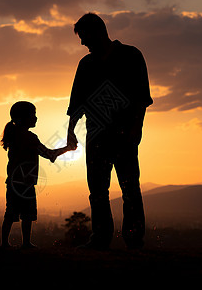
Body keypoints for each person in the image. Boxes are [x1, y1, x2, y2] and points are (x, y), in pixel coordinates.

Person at [67, 13, 153, 250]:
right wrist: (71, 131)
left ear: (98, 32)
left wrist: (137, 128)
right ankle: (100, 238)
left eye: (85, 37)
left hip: (125, 134)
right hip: (95, 136)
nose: (83, 43)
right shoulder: (86, 64)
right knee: (97, 190)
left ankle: (134, 238)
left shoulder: (131, 56)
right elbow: (77, 101)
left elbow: (141, 98)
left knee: (129, 187)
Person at [0, 101, 75, 248]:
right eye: (33, 115)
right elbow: (48, 154)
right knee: (27, 214)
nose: (36, 118)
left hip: (13, 183)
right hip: (26, 183)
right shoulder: (30, 138)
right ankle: (26, 243)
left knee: (11, 213)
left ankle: (5, 243)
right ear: (23, 118)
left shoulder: (14, 136)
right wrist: (67, 148)